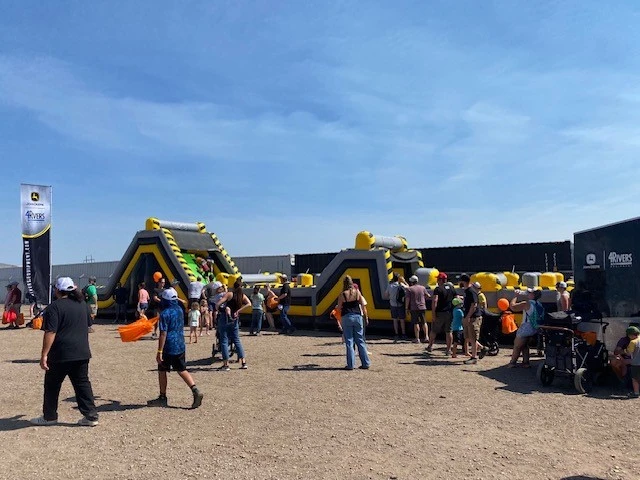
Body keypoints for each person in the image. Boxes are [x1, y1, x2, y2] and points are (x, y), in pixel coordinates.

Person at [30, 277, 99, 427]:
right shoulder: (83, 305)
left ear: (57, 290)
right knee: (82, 384)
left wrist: (44, 355)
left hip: (61, 353)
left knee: (52, 386)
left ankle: (49, 417)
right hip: (81, 352)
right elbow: (88, 325)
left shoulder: (54, 307)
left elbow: (50, 332)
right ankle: (91, 416)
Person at [147, 288, 204, 409]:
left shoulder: (165, 313)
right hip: (180, 343)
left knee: (162, 369)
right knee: (181, 369)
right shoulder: (179, 309)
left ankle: (162, 397)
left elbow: (163, 333)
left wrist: (159, 351)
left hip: (169, 346)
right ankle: (195, 390)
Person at [336, 275, 371, 370]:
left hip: (347, 317)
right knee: (360, 340)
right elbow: (363, 305)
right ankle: (366, 363)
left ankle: (351, 365)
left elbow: (338, 308)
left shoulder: (342, 294)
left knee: (349, 341)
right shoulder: (357, 292)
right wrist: (365, 317)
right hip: (358, 317)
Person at [215, 280, 251, 371]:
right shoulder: (242, 296)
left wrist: (218, 309)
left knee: (224, 340)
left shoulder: (229, 294)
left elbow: (218, 303)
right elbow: (249, 303)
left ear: (233, 287)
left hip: (225, 318)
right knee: (236, 339)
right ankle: (243, 362)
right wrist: (238, 311)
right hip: (235, 318)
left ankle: (226, 364)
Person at [507, 288, 544, 368]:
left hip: (526, 327)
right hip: (535, 328)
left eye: (529, 293)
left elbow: (513, 307)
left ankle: (512, 363)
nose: (528, 293)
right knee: (524, 344)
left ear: (533, 295)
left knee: (517, 345)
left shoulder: (527, 303)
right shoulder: (539, 304)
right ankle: (525, 362)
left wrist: (515, 296)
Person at [460, 275, 487, 365]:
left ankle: (474, 357)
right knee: (468, 337)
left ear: (463, 281)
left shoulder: (471, 291)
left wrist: (467, 317)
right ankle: (483, 348)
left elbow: (474, 305)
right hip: (469, 316)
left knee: (473, 338)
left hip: (474, 317)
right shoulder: (467, 291)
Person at [428, 273, 456, 355]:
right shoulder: (451, 288)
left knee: (434, 330)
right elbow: (456, 298)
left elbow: (435, 301)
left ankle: (430, 346)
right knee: (449, 331)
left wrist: (433, 313)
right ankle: (448, 350)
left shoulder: (438, 289)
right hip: (450, 312)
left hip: (440, 313)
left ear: (440, 280)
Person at [405, 275, 430, 344]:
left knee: (416, 323)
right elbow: (428, 295)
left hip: (414, 307)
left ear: (411, 282)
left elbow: (407, 299)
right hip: (422, 307)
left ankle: (417, 338)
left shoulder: (409, 289)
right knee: (424, 322)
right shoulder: (422, 288)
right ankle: (426, 337)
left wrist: (406, 308)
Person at [384, 273, 408, 341]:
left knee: (395, 320)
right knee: (402, 320)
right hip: (400, 304)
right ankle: (403, 334)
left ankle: (396, 334)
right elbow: (408, 287)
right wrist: (404, 281)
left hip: (392, 304)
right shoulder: (401, 285)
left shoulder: (390, 286)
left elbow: (386, 295)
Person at [625, 327, 640, 398]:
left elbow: (629, 353)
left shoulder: (633, 342)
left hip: (636, 363)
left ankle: (636, 393)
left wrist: (624, 350)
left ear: (631, 335)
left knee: (635, 379)